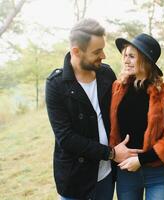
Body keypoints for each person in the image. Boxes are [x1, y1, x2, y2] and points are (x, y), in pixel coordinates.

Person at [45, 18, 143, 200]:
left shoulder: (106, 74)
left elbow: (123, 112)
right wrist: (111, 153)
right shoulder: (56, 85)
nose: (104, 55)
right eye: (97, 51)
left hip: (106, 176)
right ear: (76, 51)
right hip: (75, 180)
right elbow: (66, 138)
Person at [109, 33, 164, 200]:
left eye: (132, 56)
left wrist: (141, 159)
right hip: (126, 172)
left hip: (158, 174)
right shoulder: (117, 89)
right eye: (125, 56)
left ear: (145, 60)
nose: (125, 60)